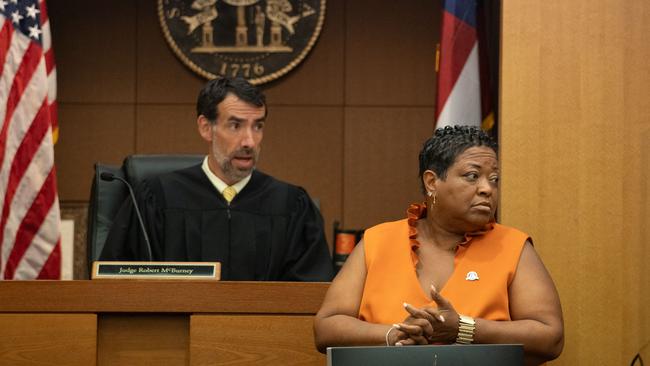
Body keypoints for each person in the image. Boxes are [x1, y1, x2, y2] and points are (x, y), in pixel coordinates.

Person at [314, 126, 563, 364]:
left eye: (494, 179)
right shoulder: (377, 241)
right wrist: (395, 334)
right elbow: (326, 328)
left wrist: (464, 329)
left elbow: (550, 338)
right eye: (472, 176)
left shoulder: (513, 247)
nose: (487, 189)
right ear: (432, 182)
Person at [100, 77, 333, 281]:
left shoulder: (291, 206)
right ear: (206, 128)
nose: (249, 141)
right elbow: (119, 284)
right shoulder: (156, 198)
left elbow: (309, 297)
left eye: (258, 126)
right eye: (235, 125)